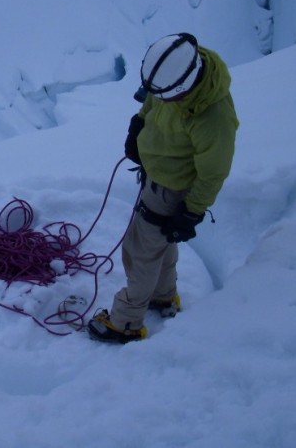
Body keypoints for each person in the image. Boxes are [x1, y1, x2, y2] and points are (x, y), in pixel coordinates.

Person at [89, 33, 238, 343]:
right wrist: (139, 124)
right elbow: (152, 101)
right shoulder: (178, 69)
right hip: (157, 177)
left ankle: (126, 322)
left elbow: (214, 173)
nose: (157, 98)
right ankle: (163, 296)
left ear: (182, 90)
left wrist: (191, 213)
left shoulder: (213, 118)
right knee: (160, 244)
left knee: (141, 251)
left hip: (172, 188)